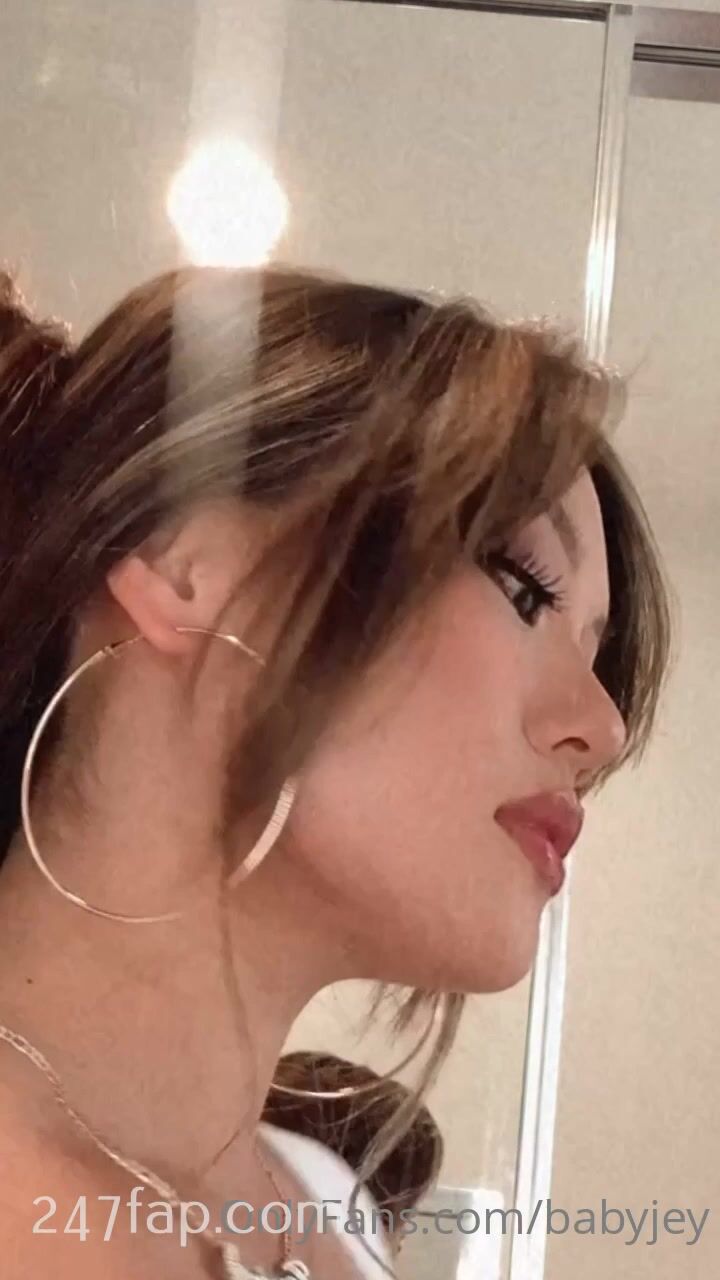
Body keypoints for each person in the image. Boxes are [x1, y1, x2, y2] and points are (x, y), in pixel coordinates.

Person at [0, 264, 670, 1280]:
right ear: (184, 561)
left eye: (594, 649)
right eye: (525, 585)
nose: (604, 728)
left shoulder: (325, 1200)